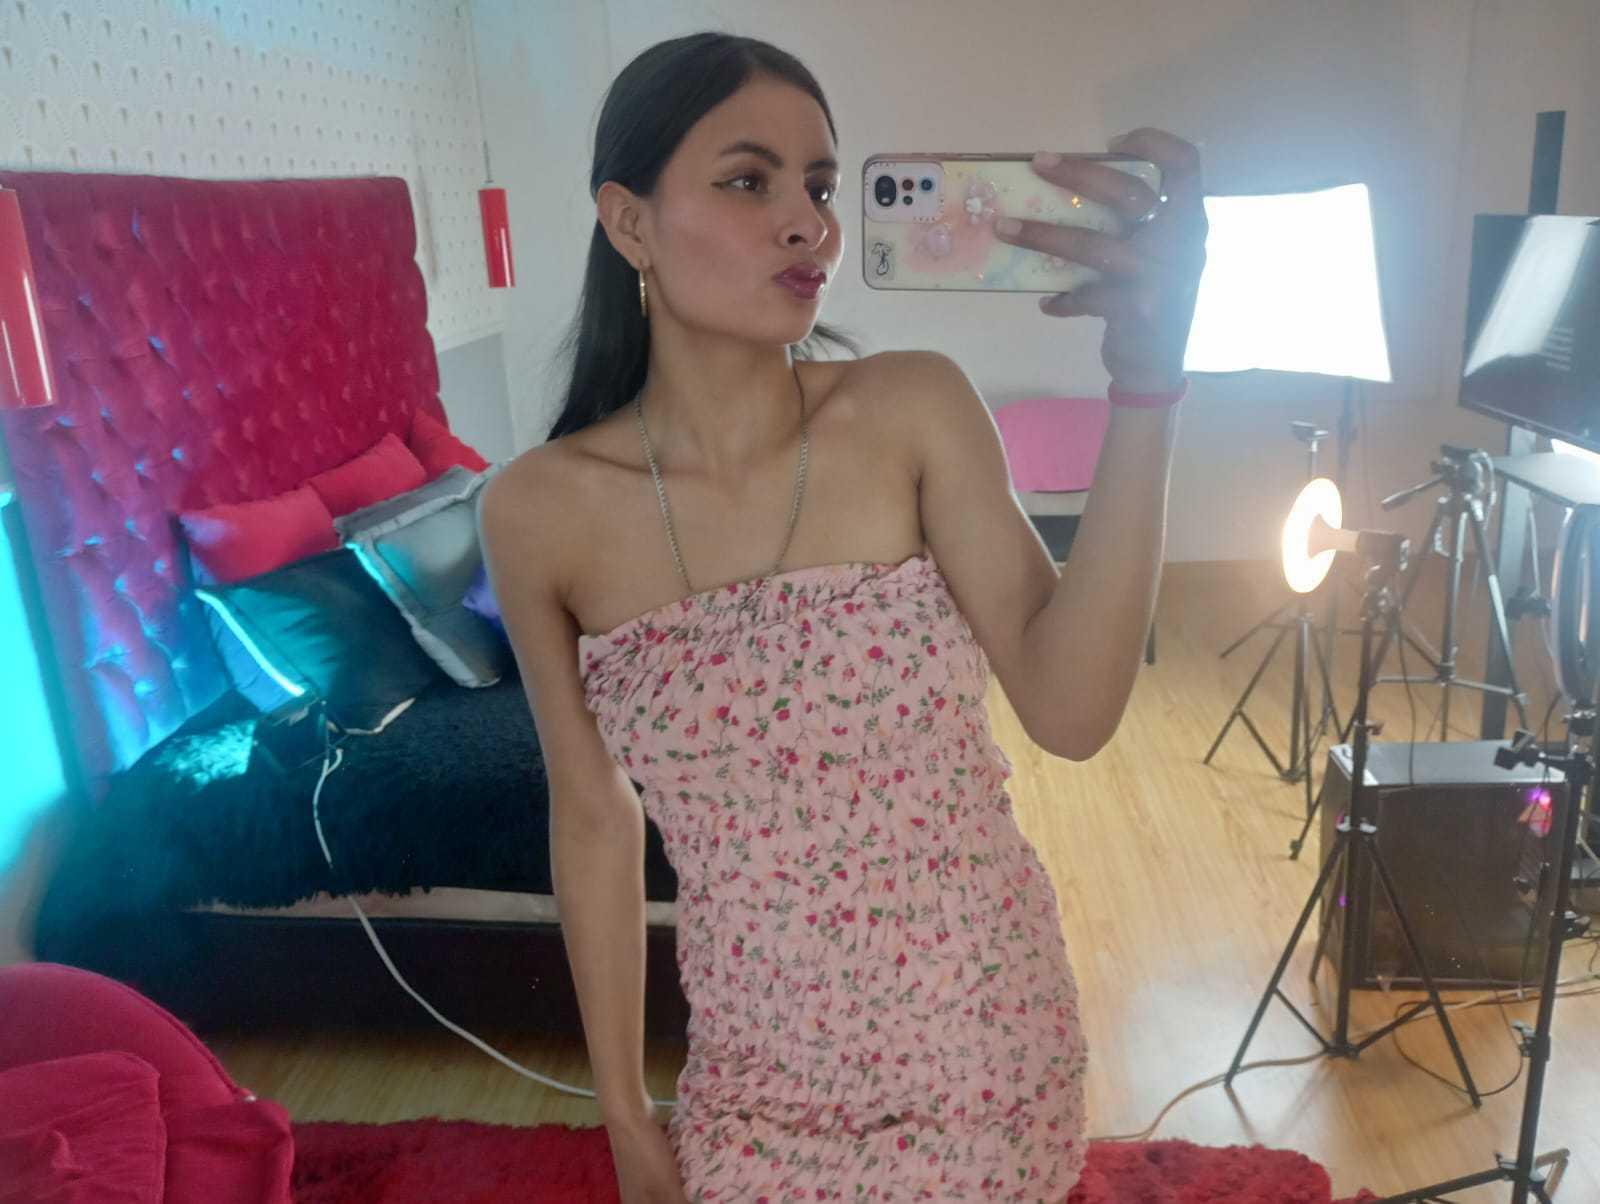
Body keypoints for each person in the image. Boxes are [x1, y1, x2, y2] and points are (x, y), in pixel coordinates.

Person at [478, 30, 1206, 1203]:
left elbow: (1071, 713)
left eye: (818, 186)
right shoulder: (536, 513)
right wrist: (623, 1109)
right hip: (754, 1076)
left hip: (979, 1044)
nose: (807, 224)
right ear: (628, 223)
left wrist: (1148, 384)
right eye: (747, 180)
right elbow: (594, 817)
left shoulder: (912, 409)